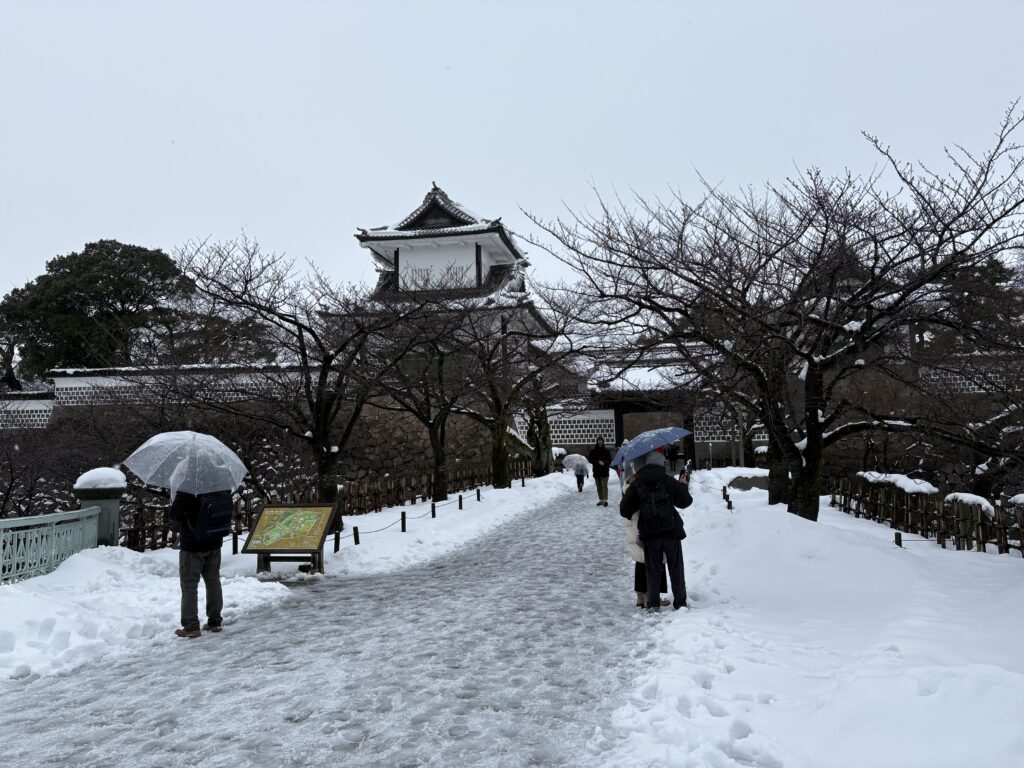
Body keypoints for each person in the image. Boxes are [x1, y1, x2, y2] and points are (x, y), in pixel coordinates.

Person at [619, 449, 692, 611]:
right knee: (676, 568)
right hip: (671, 531)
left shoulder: (637, 484)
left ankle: (653, 604)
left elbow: (624, 510)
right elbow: (685, 501)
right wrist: (683, 486)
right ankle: (680, 603)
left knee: (652, 570)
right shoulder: (667, 480)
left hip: (650, 533)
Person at [168, 457, 233, 638]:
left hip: (192, 545)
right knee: (213, 581)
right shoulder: (221, 483)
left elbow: (176, 515)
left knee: (189, 585)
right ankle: (214, 622)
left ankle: (191, 626)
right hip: (214, 542)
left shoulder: (189, 486)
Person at [621, 457, 670, 609]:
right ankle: (650, 596)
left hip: (634, 525)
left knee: (641, 561)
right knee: (653, 560)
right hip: (643, 525)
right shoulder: (640, 484)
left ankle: (640, 596)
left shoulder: (629, 482)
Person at [587, 436, 612, 506]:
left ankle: (605, 500)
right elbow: (590, 459)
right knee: (599, 486)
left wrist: (604, 463)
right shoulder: (593, 451)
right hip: (596, 471)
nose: (600, 442)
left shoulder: (606, 451)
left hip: (605, 471)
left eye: (601, 441)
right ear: (597, 442)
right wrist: (597, 462)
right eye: (599, 441)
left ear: (603, 442)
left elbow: (610, 459)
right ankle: (601, 499)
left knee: (604, 486)